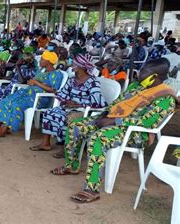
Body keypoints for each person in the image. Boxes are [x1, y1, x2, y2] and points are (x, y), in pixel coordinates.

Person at [50, 58, 178, 203]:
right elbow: (117, 103)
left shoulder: (165, 97)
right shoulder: (136, 87)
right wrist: (106, 113)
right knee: (76, 126)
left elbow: (147, 122)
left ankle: (91, 189)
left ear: (155, 76)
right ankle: (71, 166)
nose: (139, 73)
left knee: (99, 138)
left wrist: (114, 121)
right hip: (114, 121)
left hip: (136, 132)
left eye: (144, 71)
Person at [33, 54, 107, 153]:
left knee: (70, 118)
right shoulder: (72, 79)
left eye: (74, 64)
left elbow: (96, 100)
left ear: (81, 66)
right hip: (69, 107)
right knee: (49, 113)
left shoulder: (92, 82)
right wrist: (66, 101)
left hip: (83, 109)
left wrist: (77, 104)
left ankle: (68, 149)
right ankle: (46, 144)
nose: (72, 66)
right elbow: (63, 93)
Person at [0, 51, 63, 137]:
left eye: (42, 59)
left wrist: (36, 83)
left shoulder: (56, 74)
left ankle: (4, 130)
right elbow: (34, 82)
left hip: (38, 99)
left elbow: (54, 90)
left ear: (48, 61)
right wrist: (32, 83)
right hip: (26, 94)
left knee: (16, 105)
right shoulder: (42, 72)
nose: (39, 61)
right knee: (6, 100)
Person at [0, 53, 37, 123]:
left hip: (18, 89)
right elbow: (12, 77)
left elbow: (22, 81)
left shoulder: (31, 70)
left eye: (21, 59)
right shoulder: (22, 68)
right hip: (10, 86)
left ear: (24, 61)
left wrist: (18, 67)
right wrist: (1, 77)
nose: (19, 61)